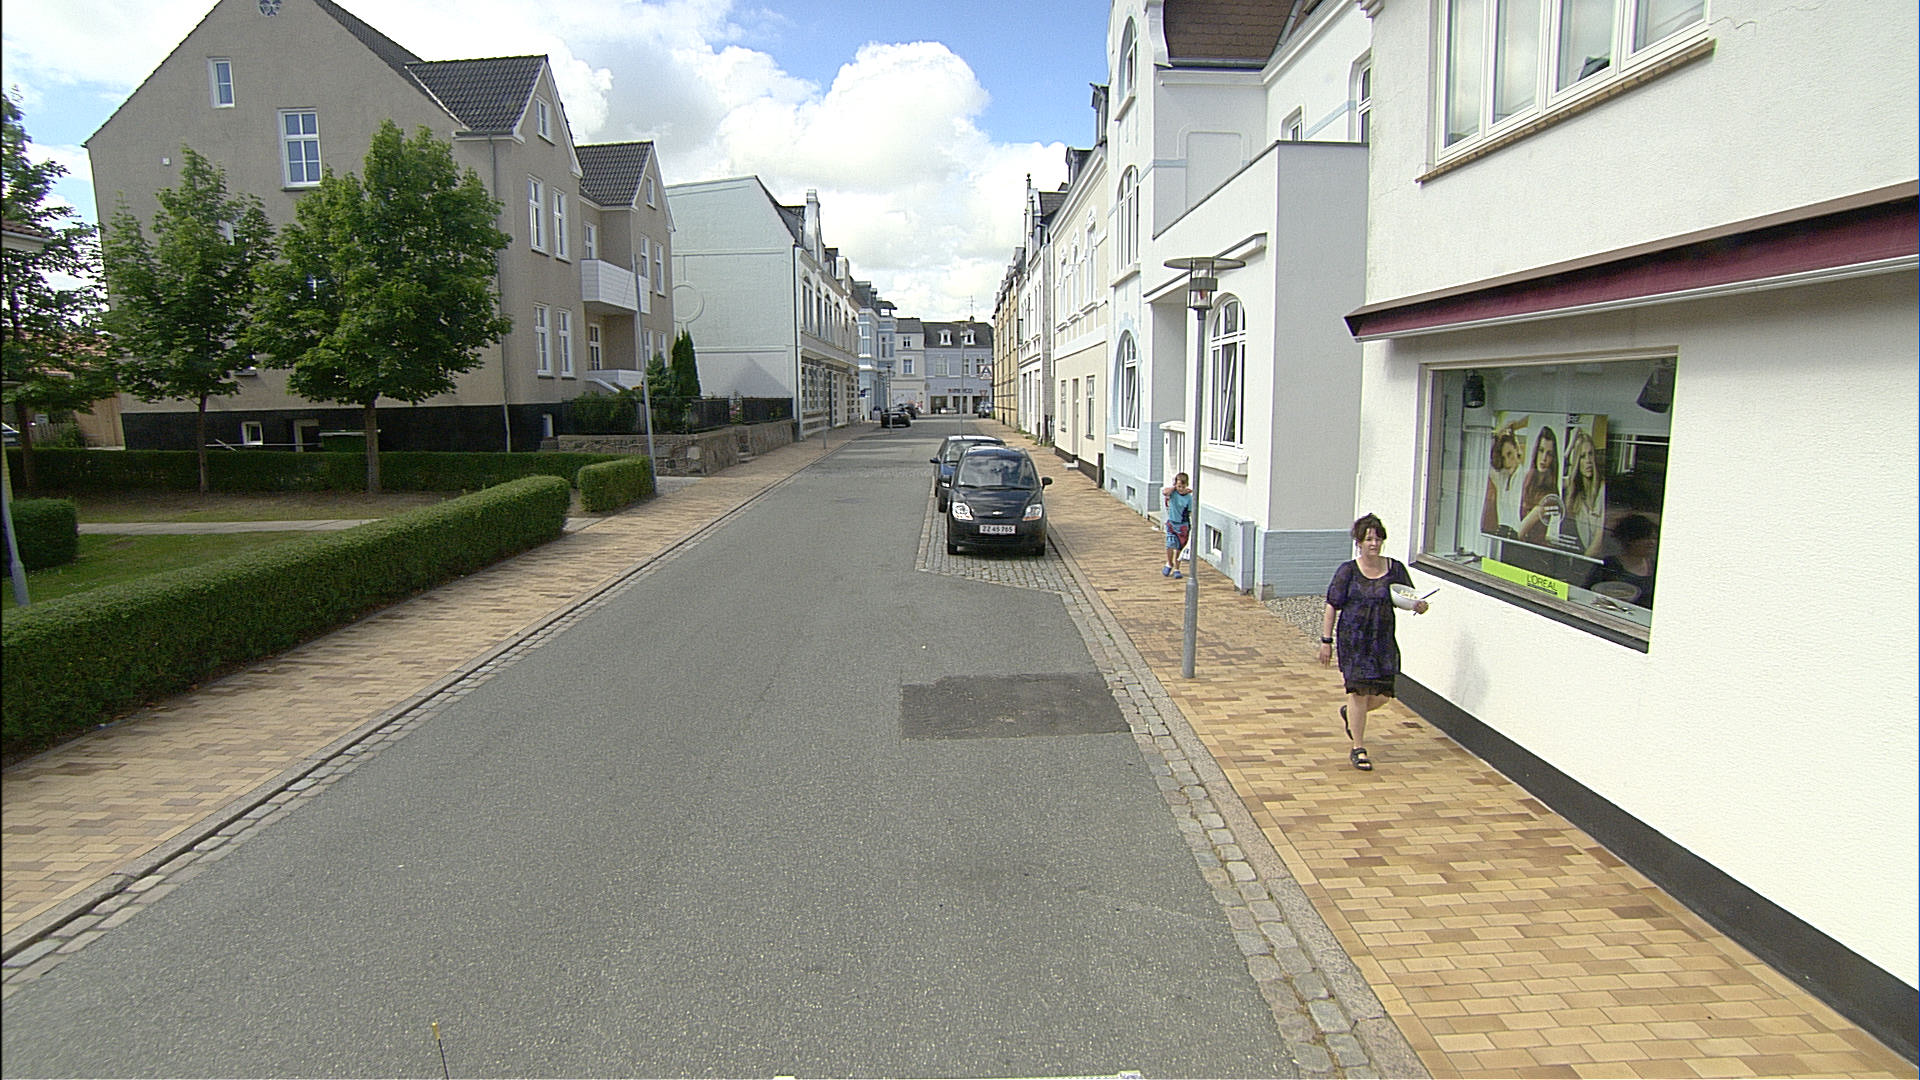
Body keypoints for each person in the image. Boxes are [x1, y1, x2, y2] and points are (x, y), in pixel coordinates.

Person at [1317, 514, 1428, 771]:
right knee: (1358, 692)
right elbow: (1332, 605)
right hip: (1354, 641)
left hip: (1382, 640)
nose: (1374, 544)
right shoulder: (1348, 571)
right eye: (1368, 539)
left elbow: (1408, 598)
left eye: (1377, 539)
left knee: (1382, 696)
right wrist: (1326, 641)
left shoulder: (1395, 569)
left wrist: (1419, 606)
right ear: (1359, 542)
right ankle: (1358, 747)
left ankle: (1350, 714)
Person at [1584, 513, 1658, 607]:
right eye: (1645, 538)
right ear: (1629, 540)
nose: (1652, 542)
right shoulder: (1608, 566)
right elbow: (1587, 594)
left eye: (1654, 538)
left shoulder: (1656, 568)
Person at [1559, 429, 1606, 557]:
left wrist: (1583, 562)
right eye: (1582, 456)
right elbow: (1556, 475)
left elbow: (1598, 542)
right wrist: (1571, 445)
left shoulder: (1602, 490)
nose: (1588, 460)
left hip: (1593, 558)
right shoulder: (1574, 489)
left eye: (1591, 454)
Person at [1517, 425, 1561, 544]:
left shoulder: (1549, 496)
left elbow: (1520, 532)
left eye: (1549, 454)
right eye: (1541, 451)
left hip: (1535, 549)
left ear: (1553, 459)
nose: (1544, 458)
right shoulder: (1528, 479)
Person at [1480, 428, 1524, 538]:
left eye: (1510, 454)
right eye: (1504, 458)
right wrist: (1495, 437)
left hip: (1517, 534)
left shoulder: (1524, 476)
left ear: (1516, 449)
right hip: (1501, 532)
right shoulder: (1501, 477)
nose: (1508, 461)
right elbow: (1485, 462)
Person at [1161, 473, 1193, 578]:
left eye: (1183, 487)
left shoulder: (1189, 498)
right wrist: (1174, 487)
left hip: (1182, 525)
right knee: (1169, 545)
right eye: (1179, 486)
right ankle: (1169, 563)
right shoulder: (1173, 493)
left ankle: (1177, 568)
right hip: (1172, 523)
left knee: (1179, 547)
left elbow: (1190, 511)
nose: (1181, 489)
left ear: (1186, 485)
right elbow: (1165, 492)